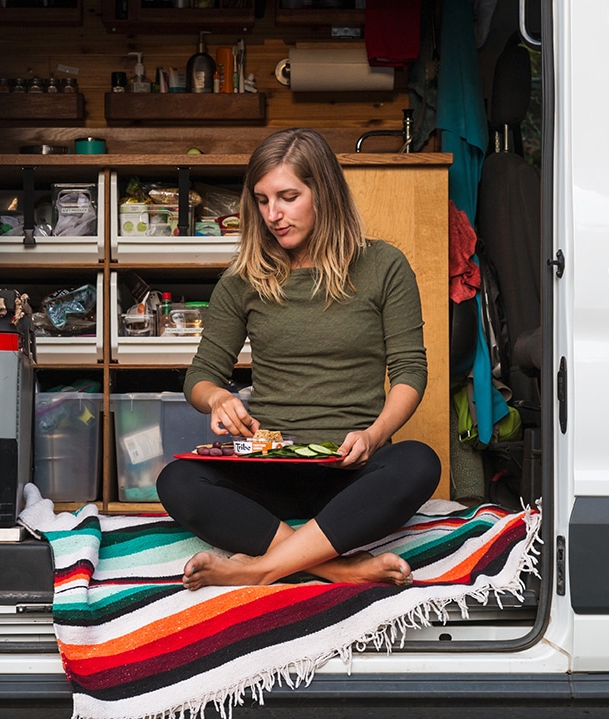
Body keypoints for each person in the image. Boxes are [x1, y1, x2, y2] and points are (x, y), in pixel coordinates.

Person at [156, 127, 441, 591]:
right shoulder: (243, 279)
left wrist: (374, 435)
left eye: (288, 197)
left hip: (351, 471)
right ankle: (338, 568)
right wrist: (217, 401)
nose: (273, 214)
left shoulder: (384, 265)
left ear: (324, 192)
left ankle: (257, 569)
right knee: (176, 480)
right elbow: (202, 375)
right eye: (263, 200)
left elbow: (410, 371)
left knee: (419, 462)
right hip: (268, 465)